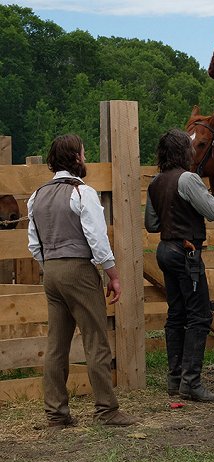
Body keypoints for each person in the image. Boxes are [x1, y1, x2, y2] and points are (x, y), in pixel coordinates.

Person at [27, 134, 138, 427]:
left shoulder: (36, 196)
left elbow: (33, 243)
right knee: (96, 340)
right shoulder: (82, 192)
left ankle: (56, 413)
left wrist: (49, 265)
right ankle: (106, 410)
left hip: (50, 271)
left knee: (56, 345)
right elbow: (97, 239)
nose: (85, 159)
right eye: (83, 154)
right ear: (76, 158)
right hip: (79, 270)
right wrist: (113, 274)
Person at [145, 129, 214, 403]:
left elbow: (152, 224)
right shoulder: (189, 179)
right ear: (183, 151)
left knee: (177, 314)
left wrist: (174, 218)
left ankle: (175, 380)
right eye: (190, 146)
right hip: (187, 254)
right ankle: (191, 383)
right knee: (200, 316)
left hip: (165, 250)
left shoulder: (156, 181)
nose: (194, 150)